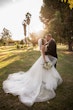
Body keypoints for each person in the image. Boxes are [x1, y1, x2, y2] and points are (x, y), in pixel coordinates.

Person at [2, 38, 63, 107]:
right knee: (44, 71)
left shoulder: (44, 45)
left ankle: (45, 80)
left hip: (46, 59)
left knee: (48, 71)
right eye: (45, 40)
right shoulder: (43, 46)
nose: (46, 40)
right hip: (44, 60)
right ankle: (43, 80)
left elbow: (47, 47)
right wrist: (45, 62)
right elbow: (43, 54)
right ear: (43, 42)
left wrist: (47, 44)